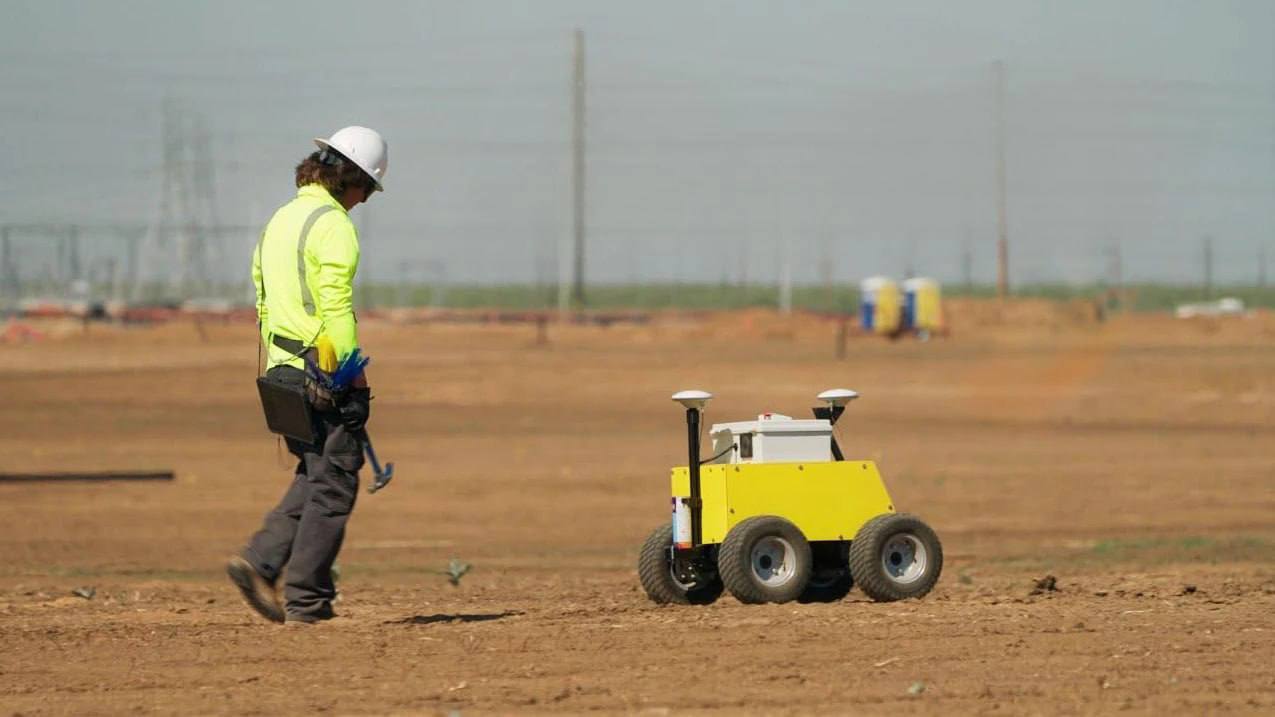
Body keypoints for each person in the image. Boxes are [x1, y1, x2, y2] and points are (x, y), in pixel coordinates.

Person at [226, 126, 387, 624]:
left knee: (317, 472)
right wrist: (350, 370)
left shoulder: (282, 218)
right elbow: (335, 304)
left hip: (282, 369)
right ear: (350, 179)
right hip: (323, 371)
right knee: (335, 482)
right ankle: (308, 600)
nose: (364, 201)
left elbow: (261, 293)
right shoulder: (334, 224)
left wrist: (284, 360)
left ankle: (260, 561)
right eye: (366, 190)